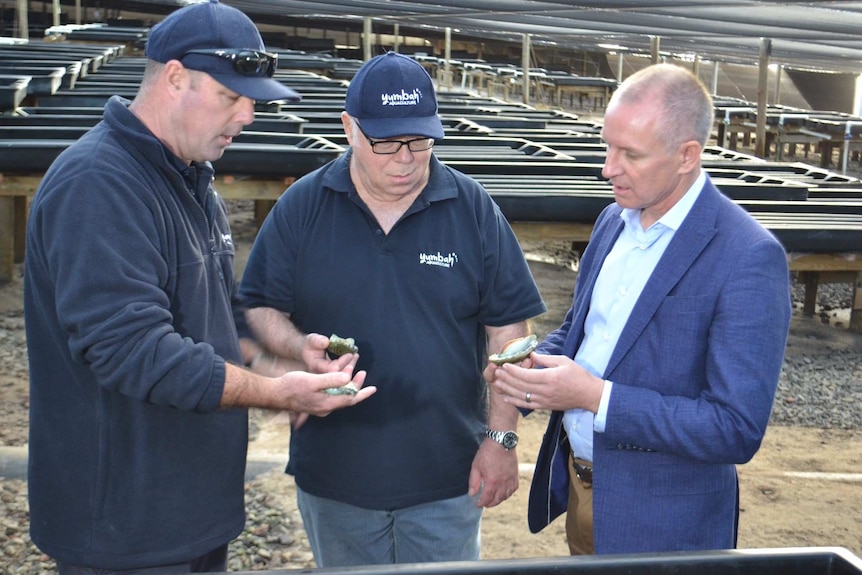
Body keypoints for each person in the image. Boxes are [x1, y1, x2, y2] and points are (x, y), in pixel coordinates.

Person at [24, 1, 374, 573]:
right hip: (124, 526)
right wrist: (275, 395)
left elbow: (211, 323)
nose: (247, 116)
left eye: (252, 100)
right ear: (174, 77)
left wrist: (282, 359)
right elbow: (133, 351)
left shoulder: (190, 180)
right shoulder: (99, 184)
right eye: (231, 97)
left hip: (188, 513)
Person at [238, 51, 547, 567]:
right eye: (386, 142)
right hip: (335, 476)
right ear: (349, 128)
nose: (406, 158)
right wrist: (294, 350)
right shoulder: (304, 207)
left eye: (420, 140)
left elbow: (509, 333)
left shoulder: (471, 208)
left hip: (447, 477)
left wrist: (502, 437)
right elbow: (260, 311)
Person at [488, 63, 792, 555]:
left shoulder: (747, 257)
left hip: (665, 525)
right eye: (607, 146)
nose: (608, 167)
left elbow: (735, 428)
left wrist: (595, 397)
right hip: (584, 494)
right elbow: (582, 330)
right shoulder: (613, 220)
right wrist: (530, 371)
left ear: (686, 156)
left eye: (630, 154)